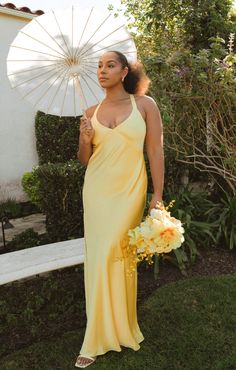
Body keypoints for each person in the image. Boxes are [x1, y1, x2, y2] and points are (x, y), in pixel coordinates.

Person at [75, 50, 164, 368]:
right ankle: (95, 336)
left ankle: (123, 327)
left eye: (109, 65)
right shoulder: (90, 111)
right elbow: (85, 160)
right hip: (97, 192)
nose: (102, 70)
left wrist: (158, 193)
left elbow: (155, 148)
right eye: (99, 66)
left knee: (118, 250)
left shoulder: (145, 105)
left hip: (130, 191)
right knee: (100, 258)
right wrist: (85, 138)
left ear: (125, 71)